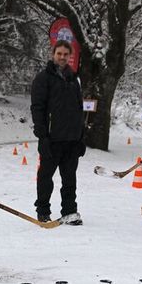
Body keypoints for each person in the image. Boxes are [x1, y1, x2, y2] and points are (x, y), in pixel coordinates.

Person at [31, 39, 86, 226]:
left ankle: (70, 211)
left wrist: (81, 136)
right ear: (53, 54)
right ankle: (43, 211)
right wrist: (42, 135)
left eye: (65, 54)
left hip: (71, 139)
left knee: (70, 179)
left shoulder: (74, 79)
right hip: (51, 139)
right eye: (59, 54)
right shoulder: (43, 78)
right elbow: (37, 108)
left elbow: (80, 109)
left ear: (70, 57)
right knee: (46, 177)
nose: (62, 57)